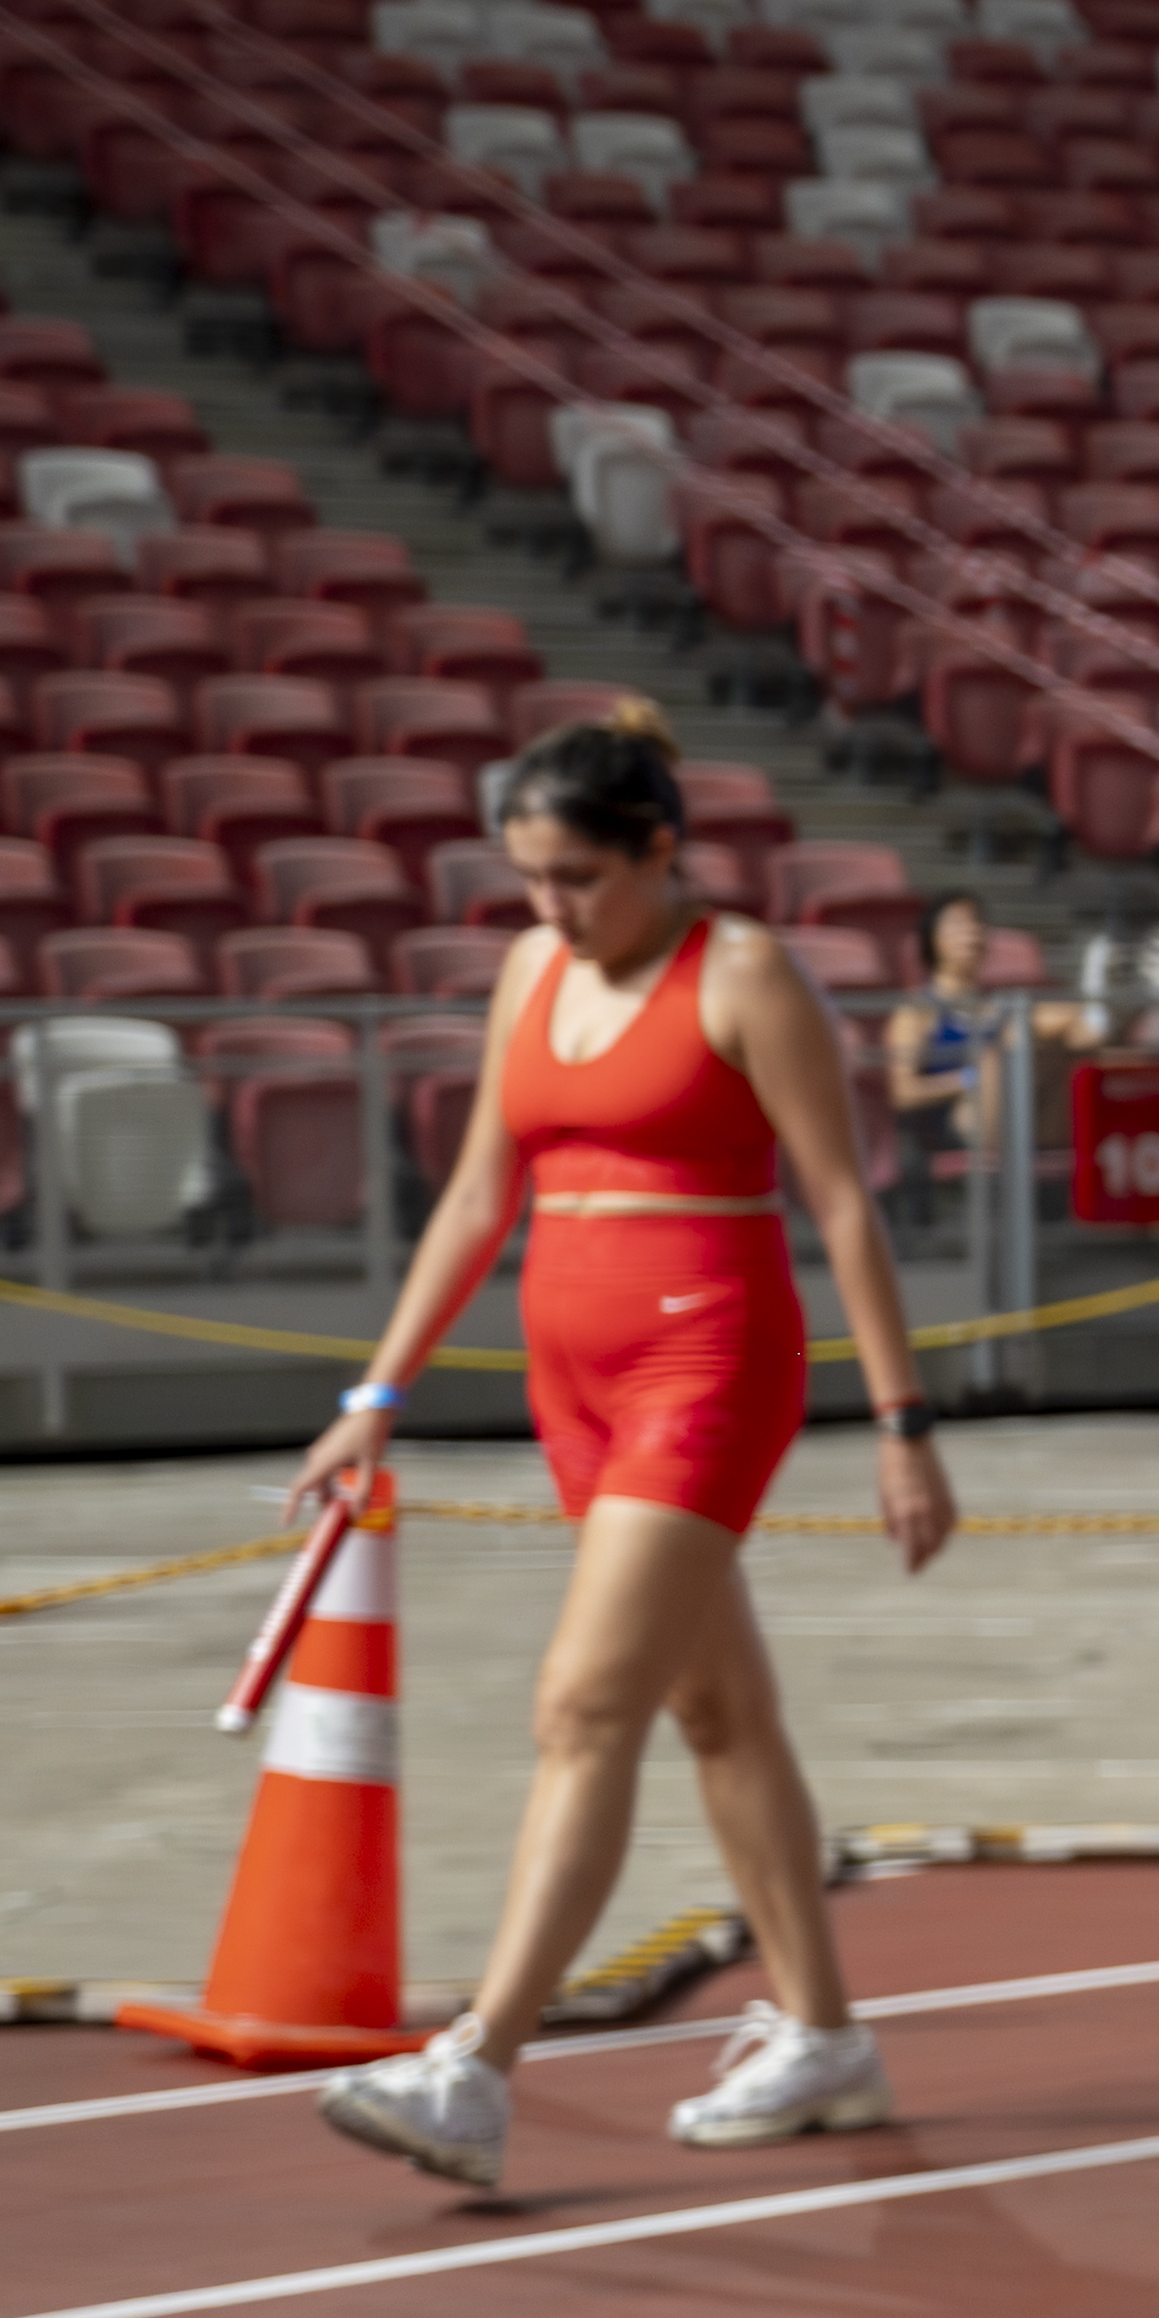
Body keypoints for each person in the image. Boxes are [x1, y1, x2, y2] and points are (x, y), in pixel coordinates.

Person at [302, 713, 958, 2193]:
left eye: (579, 877)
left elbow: (845, 1205)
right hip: (572, 1384)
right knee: (719, 1712)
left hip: (705, 1368)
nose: (549, 908)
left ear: (662, 851)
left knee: (583, 1703)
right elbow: (477, 1199)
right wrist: (378, 1392)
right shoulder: (532, 971)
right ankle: (829, 2044)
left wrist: (905, 1426)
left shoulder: (739, 974)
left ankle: (474, 2067)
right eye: (529, 877)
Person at [874, 890, 1086, 1231]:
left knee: (1063, 1035)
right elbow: (903, 1093)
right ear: (933, 939)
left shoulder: (1000, 1008)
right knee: (1008, 1047)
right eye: (959, 924)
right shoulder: (917, 1011)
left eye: (977, 924)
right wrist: (973, 1079)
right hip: (958, 1123)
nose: (972, 932)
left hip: (1024, 1117)